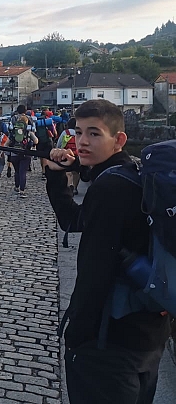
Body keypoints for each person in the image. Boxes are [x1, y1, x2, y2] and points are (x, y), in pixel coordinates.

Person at [45, 100, 171, 404]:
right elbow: (74, 220)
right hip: (149, 336)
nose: (82, 141)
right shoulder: (135, 174)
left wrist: (77, 338)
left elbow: (95, 269)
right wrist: (58, 175)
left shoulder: (111, 188)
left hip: (109, 345)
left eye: (94, 133)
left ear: (119, 139)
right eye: (78, 132)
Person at [8, 105, 38, 198]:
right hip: (26, 151)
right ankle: (22, 190)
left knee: (17, 171)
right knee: (22, 172)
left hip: (14, 151)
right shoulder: (30, 119)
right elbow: (36, 139)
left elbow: (9, 136)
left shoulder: (13, 119)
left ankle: (16, 186)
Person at [56, 117, 80, 195]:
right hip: (76, 154)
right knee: (76, 172)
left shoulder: (65, 132)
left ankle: (69, 187)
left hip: (66, 154)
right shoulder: (79, 133)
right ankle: (75, 188)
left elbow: (59, 144)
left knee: (68, 172)